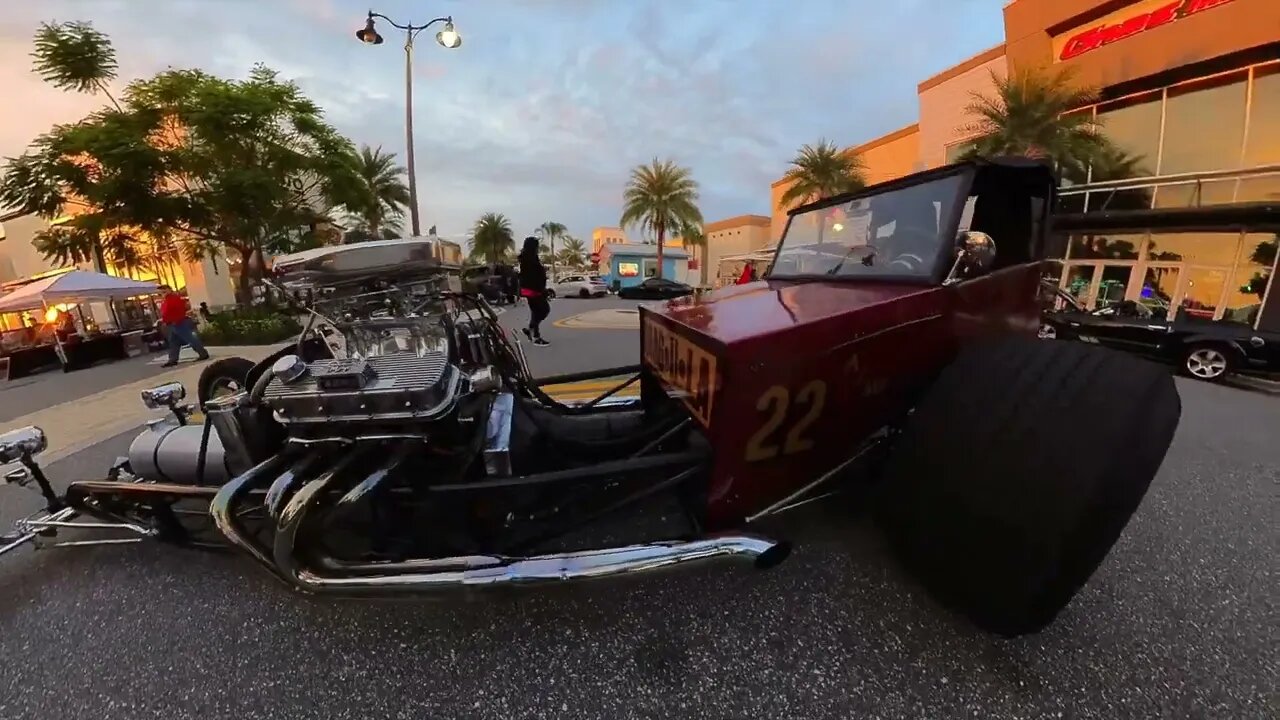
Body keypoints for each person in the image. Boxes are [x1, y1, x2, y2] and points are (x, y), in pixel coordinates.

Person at [159, 285, 210, 367]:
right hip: (172, 323)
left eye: (164, 290)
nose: (162, 293)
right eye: (161, 291)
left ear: (169, 290)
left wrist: (176, 320)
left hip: (177, 322)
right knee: (174, 342)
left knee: (189, 338)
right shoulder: (167, 300)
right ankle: (173, 359)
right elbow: (165, 312)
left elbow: (178, 310)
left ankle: (203, 353)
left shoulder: (173, 298)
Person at [517, 236, 551, 346]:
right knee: (544, 310)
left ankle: (532, 332)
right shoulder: (528, 259)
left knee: (536, 312)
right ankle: (534, 334)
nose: (538, 248)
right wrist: (542, 290)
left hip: (533, 290)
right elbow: (531, 277)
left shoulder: (530, 257)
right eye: (537, 245)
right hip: (534, 291)